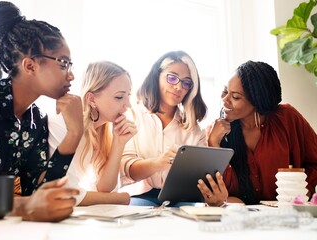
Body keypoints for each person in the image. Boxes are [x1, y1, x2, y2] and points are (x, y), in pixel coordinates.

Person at [0, 1, 83, 221]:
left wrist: (74, 134)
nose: (71, 75)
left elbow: (37, 193)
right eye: (63, 63)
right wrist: (23, 207)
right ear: (30, 66)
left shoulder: (34, 120)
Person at [120, 50, 228, 207]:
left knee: (195, 221)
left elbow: (201, 177)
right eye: (172, 78)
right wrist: (158, 163)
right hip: (139, 196)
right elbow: (128, 168)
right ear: (157, 76)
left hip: (181, 199)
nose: (178, 87)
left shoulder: (193, 129)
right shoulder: (132, 115)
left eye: (186, 83)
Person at [206, 60, 317, 204]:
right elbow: (222, 191)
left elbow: (314, 162)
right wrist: (213, 143)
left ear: (257, 100)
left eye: (235, 97)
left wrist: (300, 194)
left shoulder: (287, 118)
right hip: (243, 217)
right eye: (225, 91)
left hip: (288, 214)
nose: (225, 100)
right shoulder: (216, 133)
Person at [48, 60, 136, 205]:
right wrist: (121, 199)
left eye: (128, 96)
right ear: (91, 99)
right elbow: (62, 193)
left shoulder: (100, 131)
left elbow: (106, 189)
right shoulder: (64, 124)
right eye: (119, 97)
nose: (128, 105)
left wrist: (118, 143)